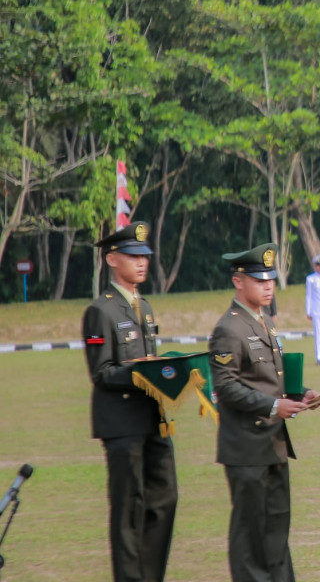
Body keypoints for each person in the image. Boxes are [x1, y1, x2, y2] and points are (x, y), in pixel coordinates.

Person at [209, 242, 320, 581]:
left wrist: (302, 392)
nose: (268, 285)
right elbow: (226, 387)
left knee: (276, 530)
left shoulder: (264, 321)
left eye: (270, 279)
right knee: (250, 534)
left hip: (273, 443)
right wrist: (274, 405)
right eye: (259, 279)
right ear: (238, 282)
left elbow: (272, 375)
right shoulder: (229, 328)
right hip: (246, 447)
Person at [81, 221, 177, 582]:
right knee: (128, 510)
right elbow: (101, 372)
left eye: (145, 256)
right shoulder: (100, 312)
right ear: (111, 259)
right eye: (133, 256)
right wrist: (141, 371)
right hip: (121, 424)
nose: (141, 263)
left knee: (165, 499)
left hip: (153, 418)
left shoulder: (145, 308)